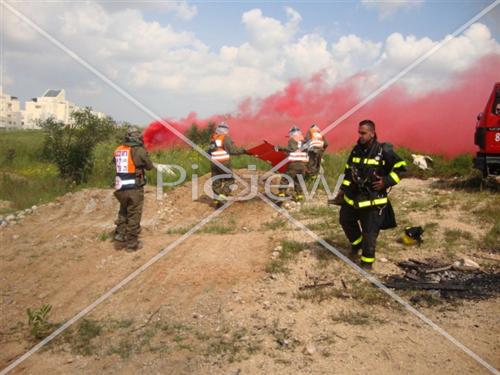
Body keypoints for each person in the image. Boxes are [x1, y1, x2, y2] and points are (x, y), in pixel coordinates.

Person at [332, 119, 407, 270]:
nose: (360, 136)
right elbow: (348, 171)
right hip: (353, 197)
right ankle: (357, 244)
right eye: (359, 132)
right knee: (345, 220)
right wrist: (342, 190)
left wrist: (386, 181)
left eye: (364, 133)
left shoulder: (383, 150)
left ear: (372, 133)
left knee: (370, 232)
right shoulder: (356, 150)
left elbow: (401, 168)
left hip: (373, 199)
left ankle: (367, 262)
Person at [113, 126, 154, 251]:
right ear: (136, 137)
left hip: (120, 188)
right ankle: (131, 244)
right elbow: (149, 166)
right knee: (134, 215)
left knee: (123, 210)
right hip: (133, 187)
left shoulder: (119, 149)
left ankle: (120, 234)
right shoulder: (138, 150)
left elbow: (116, 163)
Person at [207, 122, 247, 205]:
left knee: (216, 180)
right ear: (225, 129)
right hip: (223, 162)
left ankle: (216, 199)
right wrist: (244, 151)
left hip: (214, 163)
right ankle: (223, 195)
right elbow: (232, 150)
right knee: (230, 180)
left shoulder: (213, 138)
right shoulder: (225, 138)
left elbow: (209, 151)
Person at [275, 126, 309, 202]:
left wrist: (280, 148)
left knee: (286, 178)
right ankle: (299, 195)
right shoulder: (304, 141)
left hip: (294, 164)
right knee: (298, 180)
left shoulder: (292, 139)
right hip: (303, 165)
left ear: (292, 133)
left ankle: (281, 193)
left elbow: (292, 149)